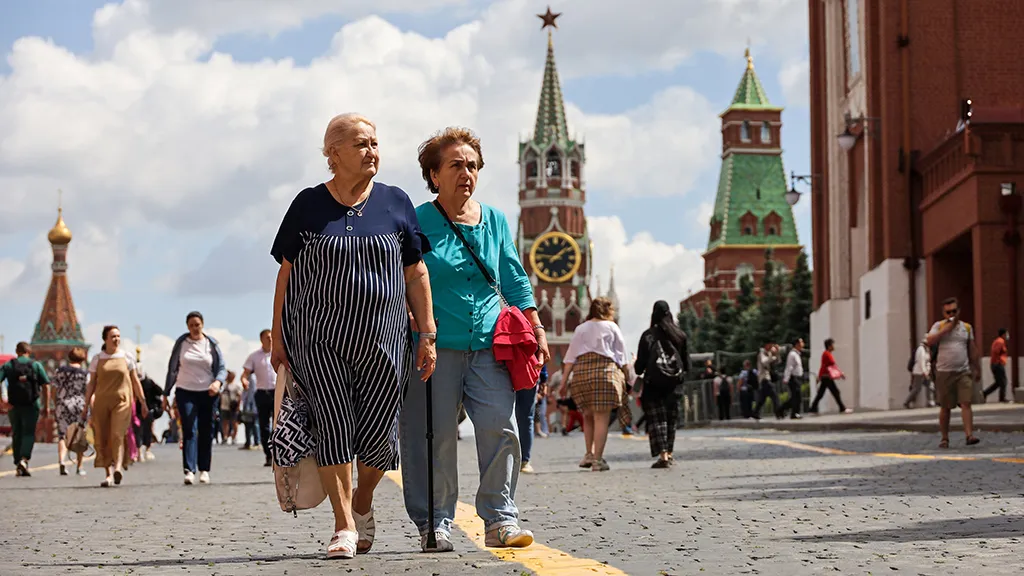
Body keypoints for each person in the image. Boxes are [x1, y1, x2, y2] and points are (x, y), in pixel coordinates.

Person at [271, 113, 436, 560]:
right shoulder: (307, 205)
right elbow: (286, 275)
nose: (372, 151)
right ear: (334, 154)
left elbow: (416, 271)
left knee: (381, 435)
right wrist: (279, 339)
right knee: (334, 427)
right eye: (362, 144)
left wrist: (427, 333)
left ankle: (362, 501)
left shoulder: (395, 202)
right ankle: (343, 524)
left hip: (385, 338)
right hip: (318, 339)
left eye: (376, 143)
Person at [400, 126, 545, 553]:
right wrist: (414, 321)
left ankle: (500, 519)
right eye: (456, 165)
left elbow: (515, 278)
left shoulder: (496, 220)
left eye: (473, 165)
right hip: (434, 346)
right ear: (434, 174)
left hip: (489, 343)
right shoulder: (415, 220)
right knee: (434, 435)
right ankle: (434, 522)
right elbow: (402, 277)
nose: (467, 173)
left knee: (502, 428)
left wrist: (535, 326)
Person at [561, 297, 628, 472]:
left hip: (582, 374)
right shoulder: (612, 327)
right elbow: (621, 356)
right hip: (605, 373)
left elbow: (570, 358)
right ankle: (598, 460)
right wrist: (628, 377)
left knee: (587, 415)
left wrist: (563, 383)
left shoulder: (580, 329)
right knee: (601, 418)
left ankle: (588, 454)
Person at [164, 311, 227, 485]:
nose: (194, 328)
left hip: (208, 392)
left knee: (206, 430)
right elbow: (172, 369)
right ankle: (189, 470)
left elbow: (222, 368)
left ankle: (204, 469)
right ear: (187, 327)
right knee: (189, 429)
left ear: (202, 325)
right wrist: (166, 392)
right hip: (185, 391)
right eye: (191, 325)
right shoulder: (181, 344)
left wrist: (217, 382)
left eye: (197, 324)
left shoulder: (211, 344)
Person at [83, 326, 149, 487]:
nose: (116, 339)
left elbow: (135, 381)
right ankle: (108, 474)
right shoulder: (97, 359)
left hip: (122, 401)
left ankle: (118, 467)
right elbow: (92, 383)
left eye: (118, 336)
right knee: (103, 436)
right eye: (113, 336)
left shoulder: (126, 357)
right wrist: (86, 405)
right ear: (105, 339)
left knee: (117, 434)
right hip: (101, 402)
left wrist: (142, 401)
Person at [635, 300, 688, 469]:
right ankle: (670, 453)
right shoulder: (680, 335)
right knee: (670, 420)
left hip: (654, 385)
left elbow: (639, 368)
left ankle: (663, 455)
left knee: (657, 421)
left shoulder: (647, 336)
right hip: (674, 386)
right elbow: (687, 364)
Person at [926, 297, 981, 448]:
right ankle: (945, 438)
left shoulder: (967, 328)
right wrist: (945, 330)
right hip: (944, 372)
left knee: (966, 403)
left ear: (959, 311)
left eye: (954, 311)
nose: (951, 314)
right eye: (948, 312)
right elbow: (929, 341)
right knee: (945, 406)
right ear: (943, 313)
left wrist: (977, 368)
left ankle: (969, 435)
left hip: (963, 371)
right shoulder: (938, 326)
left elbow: (972, 349)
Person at [0, 342, 50, 477]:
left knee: (17, 433)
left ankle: (17, 463)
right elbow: (46, 385)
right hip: (32, 404)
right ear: (29, 351)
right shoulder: (35, 365)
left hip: (13, 405)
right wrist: (46, 406)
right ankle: (24, 459)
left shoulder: (9, 365)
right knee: (28, 432)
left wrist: (2, 402)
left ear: (17, 351)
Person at [49, 346, 89, 476]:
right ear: (82, 359)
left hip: (63, 404)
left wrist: (55, 402)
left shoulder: (59, 371)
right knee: (79, 435)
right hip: (79, 406)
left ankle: (62, 461)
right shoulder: (85, 374)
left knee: (62, 435)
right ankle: (80, 466)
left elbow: (53, 388)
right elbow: (89, 391)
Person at [241, 330, 276, 466]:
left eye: (272, 337)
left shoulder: (278, 352)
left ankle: (280, 454)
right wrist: (244, 381)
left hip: (277, 392)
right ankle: (268, 455)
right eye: (267, 337)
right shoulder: (254, 357)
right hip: (262, 393)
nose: (270, 339)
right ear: (261, 339)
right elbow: (245, 373)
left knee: (278, 425)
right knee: (264, 425)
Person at [515, 365, 547, 474]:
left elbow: (540, 349)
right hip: (504, 369)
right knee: (506, 415)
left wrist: (543, 378)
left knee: (526, 417)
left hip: (528, 369)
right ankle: (507, 459)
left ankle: (524, 460)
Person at [809, 338, 852, 414]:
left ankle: (813, 407)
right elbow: (831, 365)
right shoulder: (827, 354)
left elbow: (824, 366)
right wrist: (841, 373)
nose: (834, 346)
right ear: (829, 346)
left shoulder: (826, 354)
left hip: (825, 377)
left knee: (821, 393)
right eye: (832, 345)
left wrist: (820, 376)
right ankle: (842, 408)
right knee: (835, 392)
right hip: (827, 377)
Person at [753, 342, 782, 419]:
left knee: (762, 398)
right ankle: (778, 412)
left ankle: (755, 412)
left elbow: (778, 361)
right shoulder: (761, 353)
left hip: (768, 378)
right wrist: (772, 356)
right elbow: (764, 361)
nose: (771, 347)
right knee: (775, 396)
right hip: (764, 378)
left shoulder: (769, 353)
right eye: (770, 345)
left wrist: (777, 353)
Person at [904, 338, 934, 408]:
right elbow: (921, 362)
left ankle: (930, 401)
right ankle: (907, 402)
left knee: (930, 386)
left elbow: (928, 361)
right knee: (916, 388)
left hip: (925, 371)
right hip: (919, 372)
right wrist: (924, 371)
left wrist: (928, 370)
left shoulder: (927, 349)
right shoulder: (921, 349)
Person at [983, 329, 1009, 402]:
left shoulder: (999, 341)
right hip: (997, 364)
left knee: (999, 382)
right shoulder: (1000, 341)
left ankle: (985, 393)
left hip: (996, 364)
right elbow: (996, 351)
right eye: (1006, 334)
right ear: (1003, 334)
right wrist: (999, 361)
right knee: (1003, 381)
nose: (1007, 335)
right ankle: (1002, 398)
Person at [782, 339, 805, 419]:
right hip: (793, 378)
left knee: (795, 397)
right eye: (801, 342)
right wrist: (786, 379)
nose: (803, 344)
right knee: (797, 396)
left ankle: (782, 409)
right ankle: (794, 413)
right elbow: (789, 367)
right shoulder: (792, 354)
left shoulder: (797, 354)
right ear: (796, 344)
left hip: (797, 378)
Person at [219, 370, 242, 445]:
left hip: (233, 407)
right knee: (225, 421)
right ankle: (225, 436)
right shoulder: (224, 385)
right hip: (224, 406)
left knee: (234, 422)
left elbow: (239, 396)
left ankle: (234, 437)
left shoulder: (236, 385)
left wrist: (238, 406)